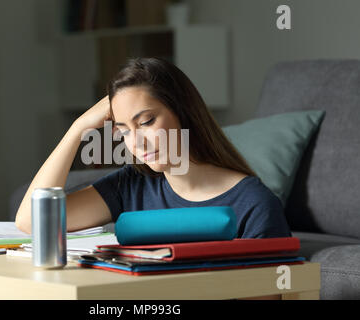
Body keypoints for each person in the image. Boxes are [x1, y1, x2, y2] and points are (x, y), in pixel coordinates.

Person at [15, 57, 291, 238]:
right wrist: (77, 130)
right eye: (124, 130)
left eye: (146, 121)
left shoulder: (255, 205)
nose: (136, 143)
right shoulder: (133, 185)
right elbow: (34, 221)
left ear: (184, 112)